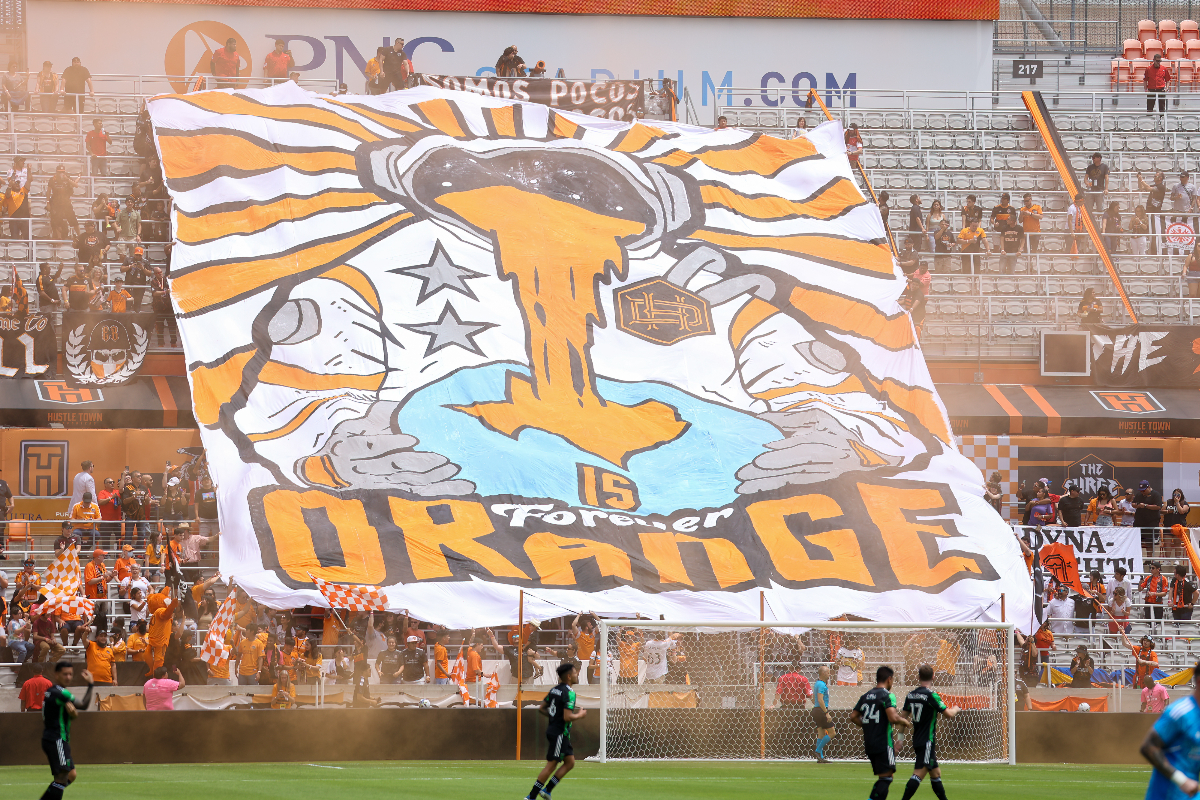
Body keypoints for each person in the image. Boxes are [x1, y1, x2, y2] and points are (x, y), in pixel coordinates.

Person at [523, 661, 587, 800]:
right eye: (575, 673)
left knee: (570, 762)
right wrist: (580, 715)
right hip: (559, 733)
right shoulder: (569, 693)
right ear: (569, 676)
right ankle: (531, 796)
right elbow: (567, 716)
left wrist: (553, 717)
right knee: (552, 765)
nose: (577, 675)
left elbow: (542, 708)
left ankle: (547, 790)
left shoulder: (554, 689)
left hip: (555, 730)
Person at [897, 664, 959, 800]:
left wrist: (900, 739)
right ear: (933, 677)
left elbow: (902, 718)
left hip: (917, 739)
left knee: (935, 773)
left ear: (918, 677)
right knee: (918, 773)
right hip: (927, 741)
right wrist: (956, 708)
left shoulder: (911, 695)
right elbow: (948, 714)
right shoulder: (932, 695)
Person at [1139, 660, 1200, 798]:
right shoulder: (1180, 713)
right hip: (1167, 793)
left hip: (1192, 794)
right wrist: (1181, 780)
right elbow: (1148, 747)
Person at [851, 666, 912, 800]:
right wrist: (905, 722)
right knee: (887, 778)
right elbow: (893, 717)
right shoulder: (887, 695)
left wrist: (868, 725)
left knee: (884, 777)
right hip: (884, 742)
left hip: (869, 743)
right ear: (889, 679)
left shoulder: (865, 696)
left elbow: (853, 716)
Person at [40, 661, 95, 800]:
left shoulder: (50, 691)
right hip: (56, 738)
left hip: (56, 738)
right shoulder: (60, 692)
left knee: (71, 775)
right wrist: (90, 684)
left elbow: (61, 714)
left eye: (70, 674)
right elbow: (83, 705)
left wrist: (72, 716)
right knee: (62, 777)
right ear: (56, 674)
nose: (68, 677)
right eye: (65, 674)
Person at [811, 664, 836, 763]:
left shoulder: (817, 684)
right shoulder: (821, 684)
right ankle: (817, 751)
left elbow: (814, 699)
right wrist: (826, 712)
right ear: (824, 673)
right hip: (821, 710)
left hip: (816, 710)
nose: (829, 674)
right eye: (828, 672)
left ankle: (820, 758)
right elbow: (820, 700)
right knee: (832, 732)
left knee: (821, 733)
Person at [1135, 479, 1165, 549]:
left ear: (1149, 487)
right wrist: (1138, 505)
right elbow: (1133, 503)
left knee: (1149, 542)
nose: (1142, 492)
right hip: (1139, 521)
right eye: (1141, 490)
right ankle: (1138, 558)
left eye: (1144, 490)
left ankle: (1149, 559)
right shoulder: (1139, 495)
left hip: (1151, 521)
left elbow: (1158, 506)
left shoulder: (1156, 495)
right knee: (1138, 542)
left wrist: (1145, 506)